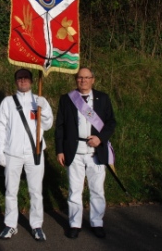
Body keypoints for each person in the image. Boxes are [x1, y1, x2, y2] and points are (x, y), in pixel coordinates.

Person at [55, 67, 116, 239]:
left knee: (97, 190)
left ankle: (97, 222)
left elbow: (111, 122)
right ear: (76, 79)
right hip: (74, 151)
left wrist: (100, 138)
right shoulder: (67, 99)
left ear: (93, 80)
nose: (83, 80)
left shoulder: (103, 98)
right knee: (74, 190)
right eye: (80, 78)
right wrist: (59, 150)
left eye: (86, 77)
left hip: (96, 151)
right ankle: (75, 223)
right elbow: (60, 126)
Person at [0, 68, 53, 241]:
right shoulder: (7, 102)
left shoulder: (39, 101)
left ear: (32, 81)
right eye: (19, 78)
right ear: (15, 81)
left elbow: (47, 125)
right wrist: (0, 151)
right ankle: (11, 225)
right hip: (13, 153)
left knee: (36, 191)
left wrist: (46, 108)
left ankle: (36, 226)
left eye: (26, 78)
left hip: (35, 153)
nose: (23, 81)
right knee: (11, 190)